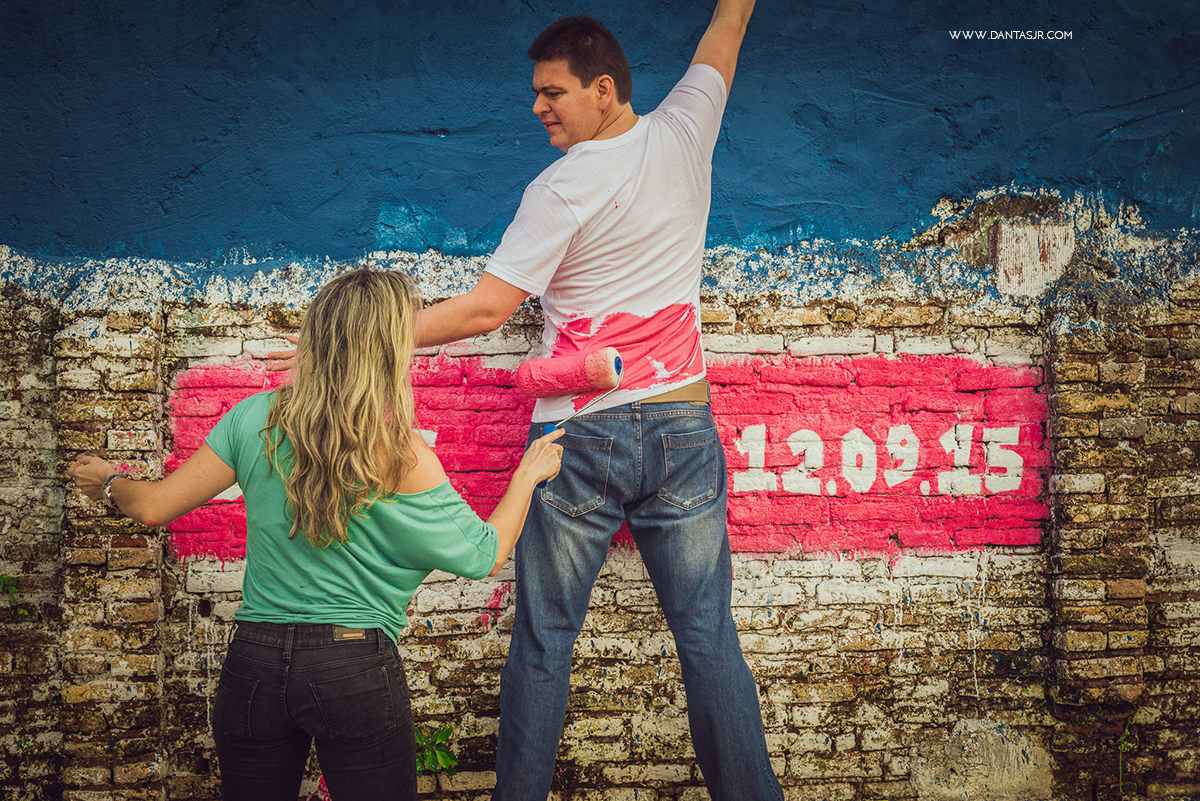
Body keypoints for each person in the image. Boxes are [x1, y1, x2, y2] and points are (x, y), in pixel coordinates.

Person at [413, 5, 781, 800]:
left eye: (553, 92)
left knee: (545, 640)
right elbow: (728, 29)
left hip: (581, 435)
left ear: (604, 88)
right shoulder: (687, 130)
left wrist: (373, 336)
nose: (538, 107)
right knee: (711, 639)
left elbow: (483, 310)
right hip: (683, 428)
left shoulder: (562, 185)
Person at [68, 268, 565, 801]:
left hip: (253, 662)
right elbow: (485, 555)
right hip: (354, 668)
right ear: (391, 347)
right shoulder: (400, 451)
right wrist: (527, 475)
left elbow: (151, 507)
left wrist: (106, 478)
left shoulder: (253, 418)